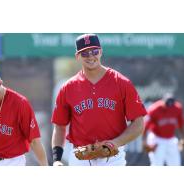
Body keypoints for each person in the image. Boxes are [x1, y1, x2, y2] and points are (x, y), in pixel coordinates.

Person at [51, 33, 147, 166]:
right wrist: (56, 159)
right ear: (77, 56)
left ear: (101, 52)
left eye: (94, 51)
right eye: (85, 53)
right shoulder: (68, 88)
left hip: (113, 157)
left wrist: (115, 143)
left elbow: (138, 123)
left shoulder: (121, 83)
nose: (91, 56)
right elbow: (60, 126)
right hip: (80, 157)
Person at [0, 67, 48, 166]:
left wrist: (45, 166)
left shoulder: (20, 103)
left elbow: (34, 141)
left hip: (13, 162)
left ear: (0, 82)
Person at [143, 94, 184, 166]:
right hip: (157, 139)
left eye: (171, 104)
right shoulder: (154, 109)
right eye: (167, 104)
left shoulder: (177, 108)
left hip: (171, 139)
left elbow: (181, 124)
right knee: (157, 164)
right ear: (162, 101)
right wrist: (144, 141)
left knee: (175, 164)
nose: (169, 106)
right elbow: (145, 126)